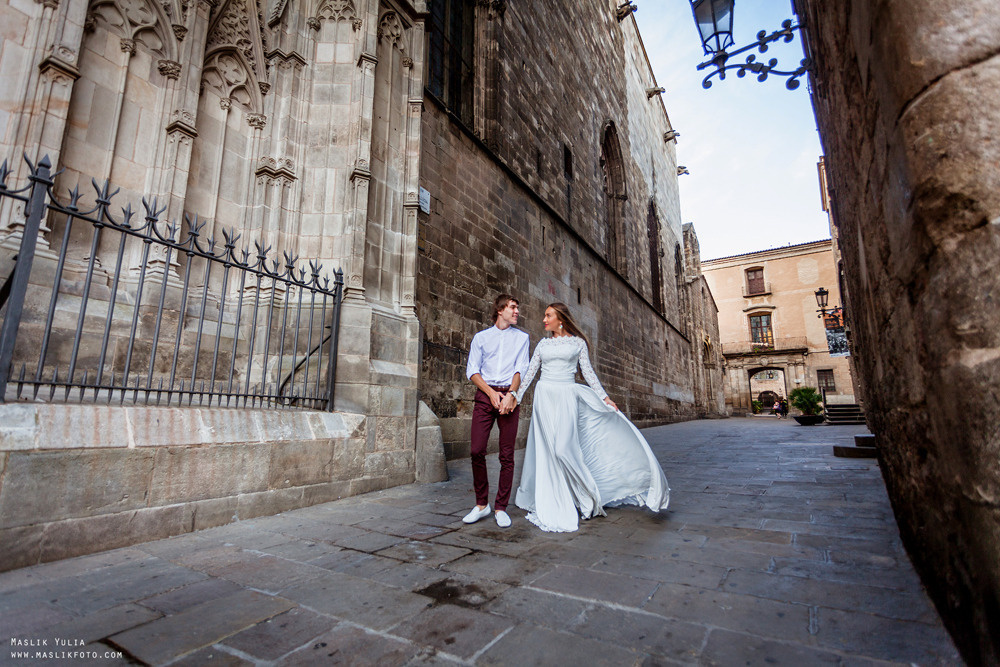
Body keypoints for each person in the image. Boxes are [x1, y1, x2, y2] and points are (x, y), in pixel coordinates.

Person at [508, 302, 670, 532]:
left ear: (560, 319)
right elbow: (529, 373)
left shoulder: (578, 343)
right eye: (544, 316)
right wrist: (516, 397)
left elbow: (588, 372)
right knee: (549, 450)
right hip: (544, 398)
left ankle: (587, 495)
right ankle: (559, 496)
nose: (544, 320)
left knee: (563, 449)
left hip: (567, 396)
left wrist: (605, 398)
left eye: (548, 315)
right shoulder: (543, 345)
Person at [463, 294, 530, 528]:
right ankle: (482, 504)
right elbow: (472, 370)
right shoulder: (481, 338)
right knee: (476, 450)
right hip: (485, 395)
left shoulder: (522, 338)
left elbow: (521, 368)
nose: (516, 311)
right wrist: (491, 394)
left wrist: (511, 395)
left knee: (506, 455)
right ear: (500, 310)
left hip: (510, 396)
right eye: (512, 307)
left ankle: (501, 507)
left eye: (517, 307)